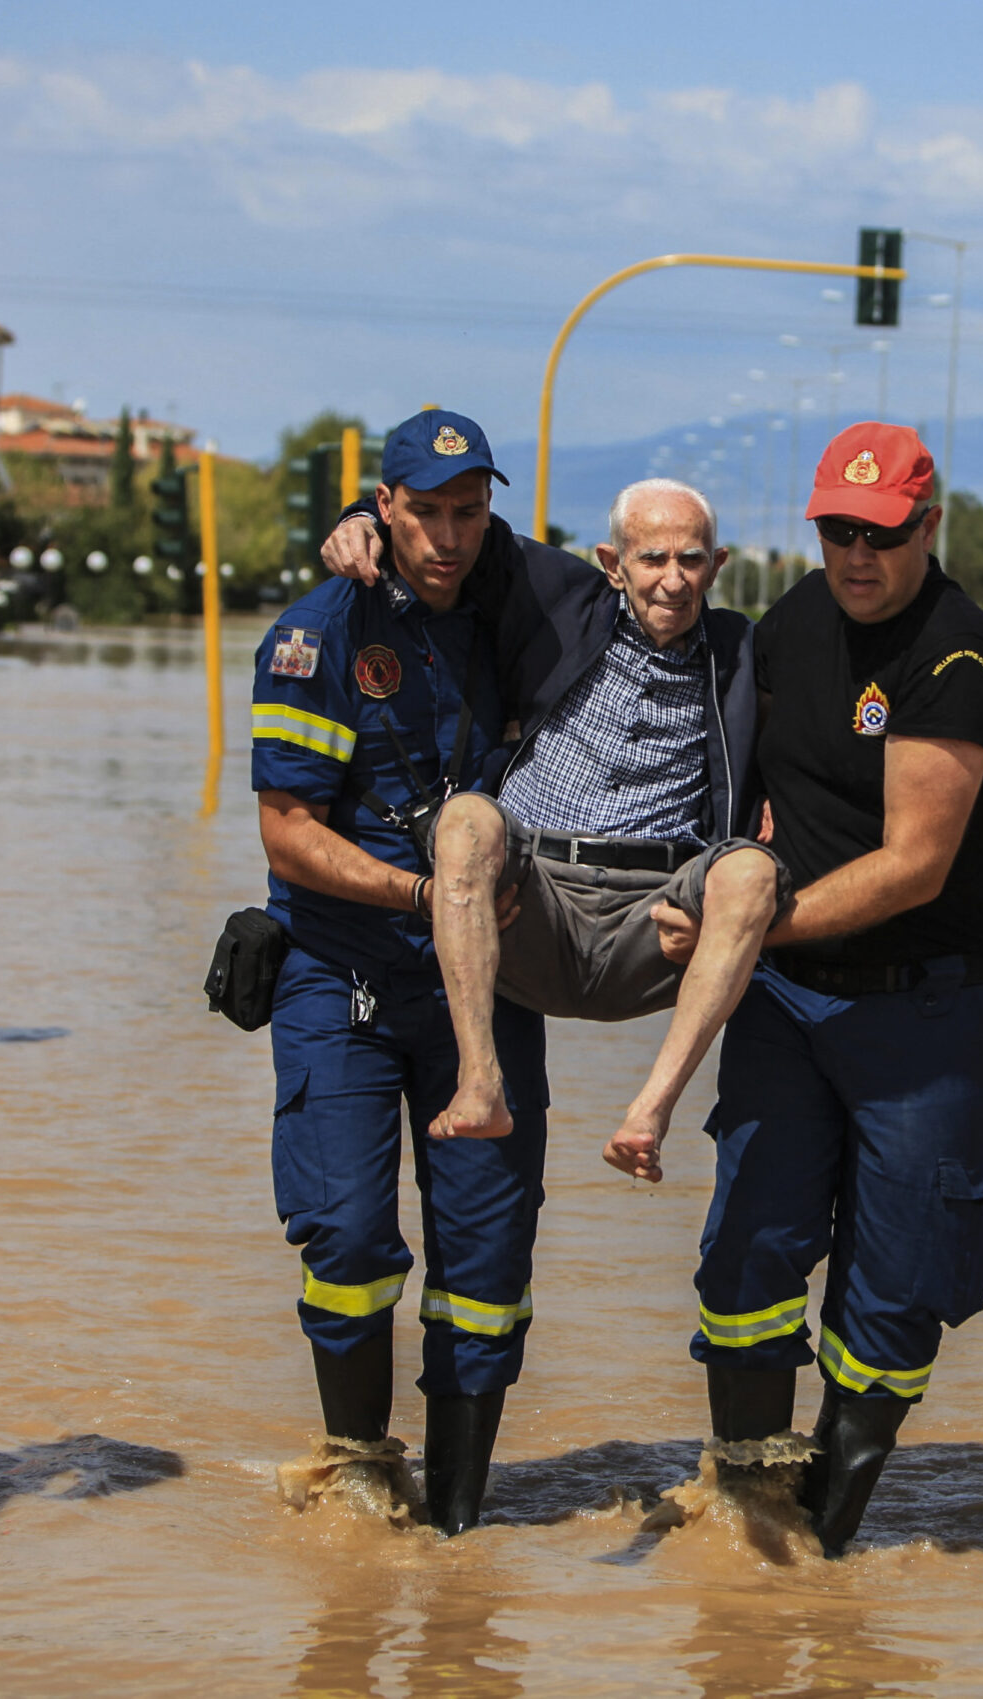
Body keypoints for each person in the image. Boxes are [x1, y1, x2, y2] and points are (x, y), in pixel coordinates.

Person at [689, 422, 983, 1559]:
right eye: (837, 530)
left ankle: (826, 1554)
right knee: (747, 1250)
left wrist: (750, 926)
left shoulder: (957, 657)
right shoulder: (791, 623)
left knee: (889, 1298)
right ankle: (747, 1537)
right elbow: (622, 625)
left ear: (928, 527)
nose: (855, 557)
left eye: (880, 536)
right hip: (790, 1004)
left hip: (926, 1012)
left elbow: (912, 865)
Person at [251, 410, 550, 1536]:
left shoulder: (511, 601)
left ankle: (459, 1526)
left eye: (468, 512)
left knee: (487, 1253)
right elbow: (287, 835)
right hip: (342, 977)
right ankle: (361, 1469)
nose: (447, 536)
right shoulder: (316, 634)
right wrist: (427, 895)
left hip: (484, 989)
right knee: (348, 1239)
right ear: (384, 508)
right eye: (424, 511)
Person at [323, 479, 780, 1181]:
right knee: (468, 820)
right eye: (652, 558)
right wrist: (361, 516)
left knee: (751, 872)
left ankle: (650, 1114)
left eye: (692, 560)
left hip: (655, 921)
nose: (672, 580)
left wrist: (760, 851)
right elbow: (455, 525)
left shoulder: (745, 653)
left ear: (717, 567)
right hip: (534, 904)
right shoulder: (564, 602)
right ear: (612, 563)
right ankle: (482, 1081)